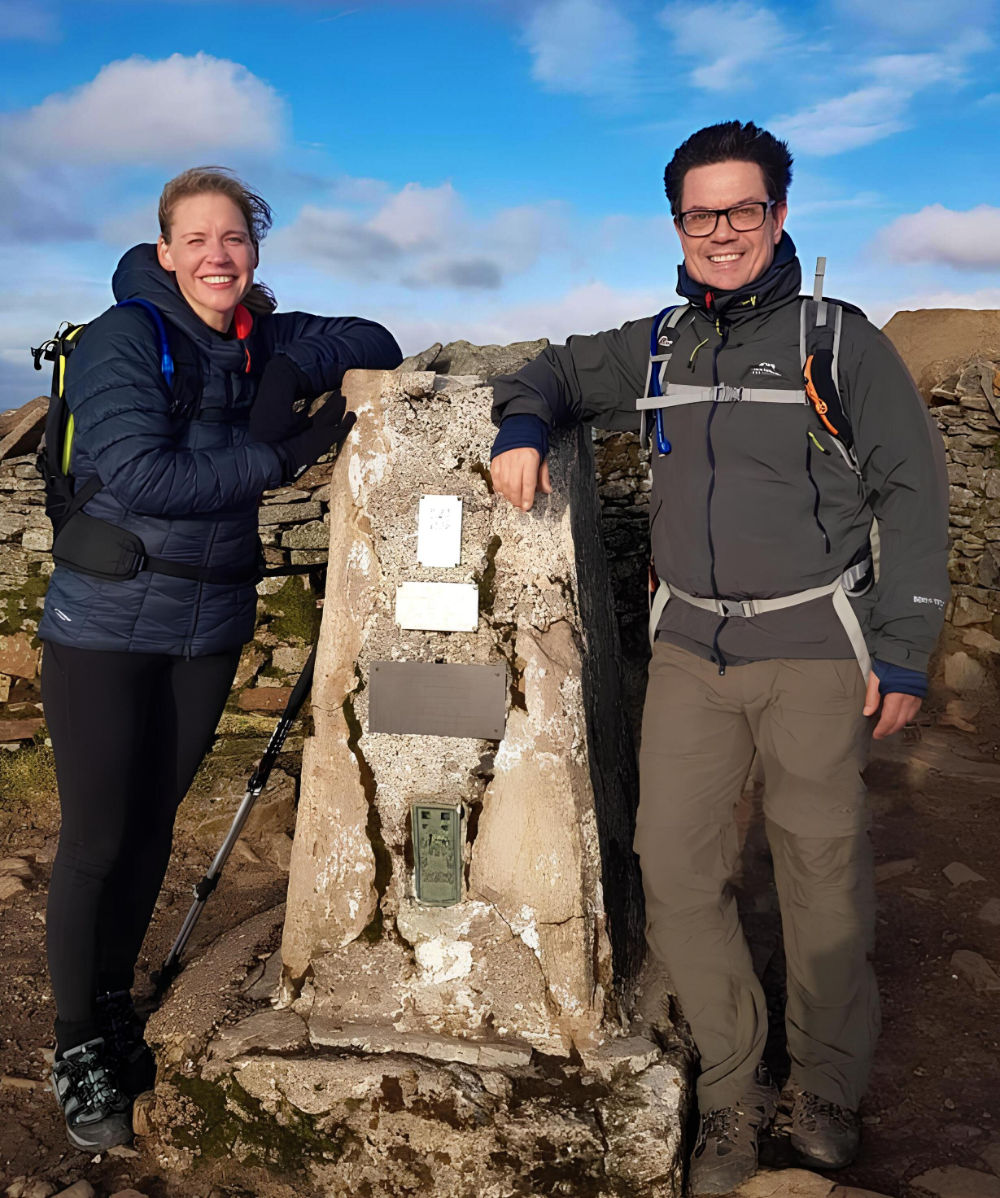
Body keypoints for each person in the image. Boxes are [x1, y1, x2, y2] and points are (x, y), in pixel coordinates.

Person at [490, 122, 949, 1193]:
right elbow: (553, 369)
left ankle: (826, 1087)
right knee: (677, 868)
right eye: (702, 214)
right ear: (678, 225)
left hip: (813, 647)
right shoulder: (658, 344)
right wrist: (521, 424)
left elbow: (913, 494)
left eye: (743, 210)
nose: (723, 231)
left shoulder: (837, 342)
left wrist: (907, 648)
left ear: (779, 215)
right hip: (690, 646)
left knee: (818, 870)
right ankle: (735, 1089)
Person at [39, 166, 402, 1151]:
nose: (216, 255)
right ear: (164, 252)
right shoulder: (128, 338)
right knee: (97, 840)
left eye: (234, 238)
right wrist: (279, 454)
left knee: (152, 832)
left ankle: (114, 1003)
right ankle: (77, 1044)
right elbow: (146, 476)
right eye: (196, 240)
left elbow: (375, 342)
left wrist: (284, 371)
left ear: (254, 250)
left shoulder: (257, 334)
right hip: (106, 624)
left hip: (207, 624)